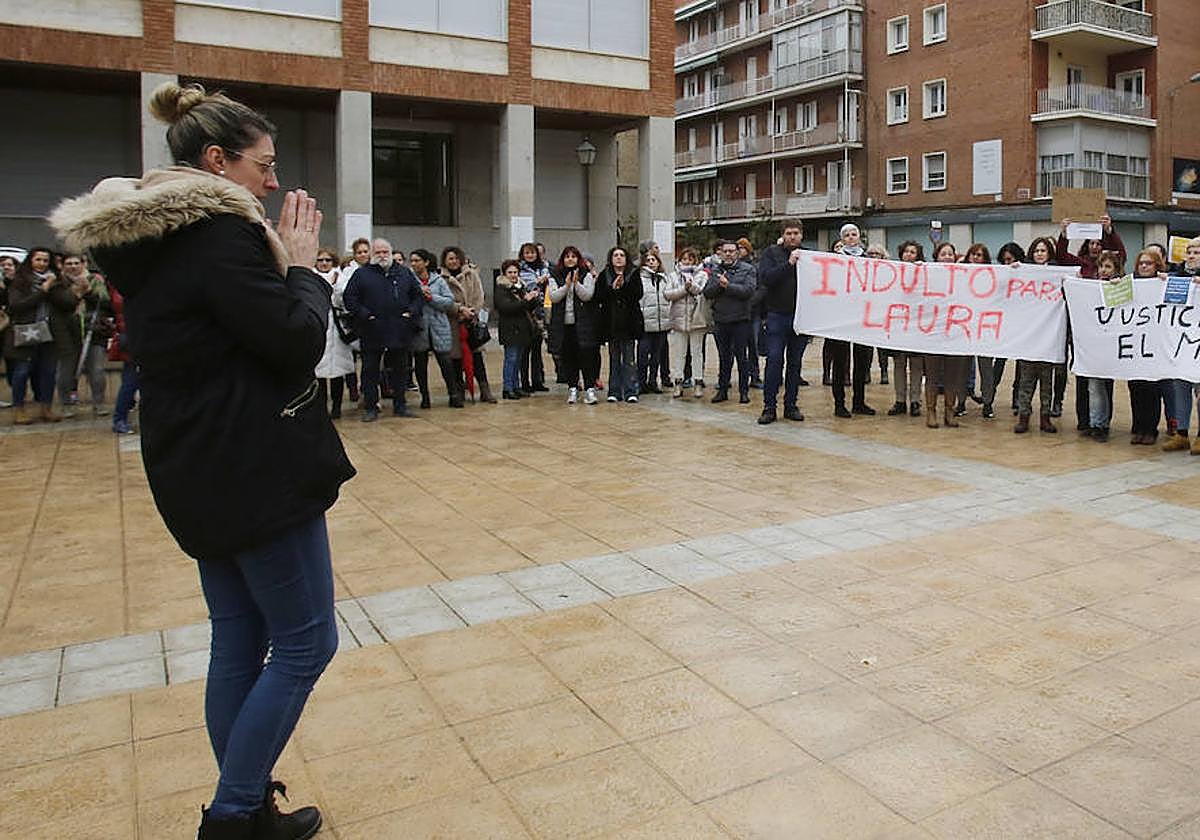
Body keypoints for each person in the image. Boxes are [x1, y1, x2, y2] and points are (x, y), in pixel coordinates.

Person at [50, 81, 355, 839]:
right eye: (263, 164)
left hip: (191, 459)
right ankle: (232, 813)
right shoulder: (219, 235)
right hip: (251, 463)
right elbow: (290, 340)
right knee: (306, 641)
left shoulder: (146, 240)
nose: (273, 180)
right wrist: (307, 271)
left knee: (240, 635)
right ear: (217, 161)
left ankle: (247, 802)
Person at [344, 238, 423, 421]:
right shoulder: (362, 274)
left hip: (399, 329)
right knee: (370, 370)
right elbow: (350, 298)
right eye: (377, 252)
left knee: (400, 369)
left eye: (385, 252)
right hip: (372, 329)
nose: (382, 256)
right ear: (372, 255)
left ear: (391, 253)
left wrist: (410, 313)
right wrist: (364, 314)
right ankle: (371, 408)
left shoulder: (404, 273)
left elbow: (417, 296)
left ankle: (400, 406)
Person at [756, 219, 808, 424]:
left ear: (802, 235)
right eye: (788, 233)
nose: (792, 236)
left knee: (795, 364)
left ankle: (791, 405)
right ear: (783, 235)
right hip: (777, 315)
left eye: (796, 233)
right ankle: (769, 406)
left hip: (801, 317)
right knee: (774, 361)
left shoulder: (809, 255)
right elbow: (767, 278)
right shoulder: (771, 254)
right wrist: (789, 264)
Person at [4, 248, 63, 424]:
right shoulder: (19, 281)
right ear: (30, 260)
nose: (42, 264)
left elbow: (66, 302)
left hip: (49, 333)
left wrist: (56, 288)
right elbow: (16, 306)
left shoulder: (56, 280)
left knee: (48, 372)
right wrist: (42, 291)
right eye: (38, 260)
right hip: (25, 332)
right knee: (21, 372)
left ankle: (46, 408)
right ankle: (19, 408)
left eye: (45, 260)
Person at [827, 223, 875, 417]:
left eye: (853, 234)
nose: (850, 237)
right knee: (840, 362)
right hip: (841, 316)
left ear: (859, 237)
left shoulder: (868, 260)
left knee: (862, 362)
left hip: (863, 316)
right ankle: (839, 404)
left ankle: (859, 402)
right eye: (846, 235)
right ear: (841, 239)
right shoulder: (835, 260)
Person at [1014, 237, 1060, 434]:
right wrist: (1013, 270)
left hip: (1048, 340)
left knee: (1046, 383)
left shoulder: (1057, 273)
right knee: (1026, 382)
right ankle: (1024, 416)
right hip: (1029, 339)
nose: (1040, 254)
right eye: (1036, 251)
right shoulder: (1025, 273)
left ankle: (1045, 417)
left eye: (1043, 250)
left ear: (1049, 253)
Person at [703, 239, 757, 405]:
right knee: (724, 357)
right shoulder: (715, 269)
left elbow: (748, 291)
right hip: (721, 319)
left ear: (737, 253)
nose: (728, 254)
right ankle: (723, 390)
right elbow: (708, 292)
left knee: (742, 356)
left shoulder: (748, 269)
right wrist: (720, 286)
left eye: (731, 251)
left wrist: (728, 286)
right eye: (725, 251)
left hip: (741, 319)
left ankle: (743, 391)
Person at [923, 242, 969, 429]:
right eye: (944, 254)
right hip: (933, 333)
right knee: (932, 375)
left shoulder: (964, 277)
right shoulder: (927, 275)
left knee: (953, 376)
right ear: (936, 257)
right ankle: (931, 411)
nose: (948, 257)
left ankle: (949, 411)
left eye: (951, 254)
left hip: (955, 333)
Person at [408, 248, 461, 409]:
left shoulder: (438, 280)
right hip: (419, 328)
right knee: (420, 363)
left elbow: (448, 302)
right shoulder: (410, 281)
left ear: (426, 262)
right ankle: (425, 397)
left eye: (417, 260)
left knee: (446, 362)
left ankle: (453, 394)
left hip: (438, 327)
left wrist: (430, 296)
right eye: (412, 261)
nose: (414, 264)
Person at [441, 246, 495, 404]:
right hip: (452, 324)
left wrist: (472, 311)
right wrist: (458, 311)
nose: (454, 261)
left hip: (471, 322)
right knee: (456, 359)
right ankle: (459, 391)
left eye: (456, 258)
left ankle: (485, 390)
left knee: (477, 358)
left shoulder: (471, 275)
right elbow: (442, 301)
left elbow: (479, 295)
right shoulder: (440, 278)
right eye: (450, 258)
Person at [547, 245, 600, 405]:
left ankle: (590, 388)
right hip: (564, 325)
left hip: (583, 324)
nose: (570, 259)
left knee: (587, 356)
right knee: (568, 357)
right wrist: (567, 285)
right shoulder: (554, 275)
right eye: (567, 256)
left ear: (578, 259)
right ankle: (573, 388)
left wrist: (576, 284)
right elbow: (554, 296)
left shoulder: (587, 275)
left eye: (573, 256)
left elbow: (588, 296)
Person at [63, 253, 115, 416]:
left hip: (94, 330)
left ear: (83, 263)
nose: (73, 266)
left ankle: (98, 403)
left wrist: (88, 292)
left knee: (97, 369)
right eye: (69, 263)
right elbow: (60, 303)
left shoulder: (96, 280)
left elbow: (106, 303)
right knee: (66, 371)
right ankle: (67, 404)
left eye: (76, 263)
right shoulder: (60, 282)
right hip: (67, 332)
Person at [1125, 248, 1166, 445]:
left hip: (1154, 346)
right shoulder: (1130, 283)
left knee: (1151, 390)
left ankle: (1151, 429)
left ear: (1156, 265)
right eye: (1141, 263)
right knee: (1136, 388)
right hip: (1133, 345)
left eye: (1148, 263)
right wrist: (1114, 284)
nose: (1143, 266)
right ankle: (1138, 427)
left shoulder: (1163, 283)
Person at [312, 248, 355, 420]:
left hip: (337, 331)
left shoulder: (342, 278)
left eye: (327, 260)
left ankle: (337, 407)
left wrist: (336, 286)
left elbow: (343, 301)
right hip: (317, 329)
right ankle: (321, 408)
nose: (324, 263)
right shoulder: (310, 278)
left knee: (338, 371)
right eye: (320, 260)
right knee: (318, 372)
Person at [596, 246, 643, 402]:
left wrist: (623, 287)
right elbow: (599, 297)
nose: (618, 258)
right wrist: (613, 288)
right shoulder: (605, 275)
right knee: (614, 359)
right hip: (611, 323)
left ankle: (630, 391)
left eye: (622, 255)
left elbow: (637, 294)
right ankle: (614, 391)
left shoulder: (634, 274)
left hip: (629, 323)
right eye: (615, 255)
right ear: (611, 258)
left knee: (629, 359)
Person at [1085, 250, 1123, 443]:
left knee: (1104, 385)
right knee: (1094, 386)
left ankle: (1103, 422)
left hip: (1113, 345)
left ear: (1116, 269)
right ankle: (1096, 424)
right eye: (1101, 266)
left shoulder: (1123, 288)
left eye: (1108, 266)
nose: (1104, 270)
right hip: (1093, 345)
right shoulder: (1089, 287)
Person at [664, 247, 710, 400]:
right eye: (684, 259)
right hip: (679, 318)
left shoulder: (702, 274)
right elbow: (668, 294)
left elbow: (701, 291)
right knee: (679, 353)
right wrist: (684, 289)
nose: (687, 262)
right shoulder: (673, 275)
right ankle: (678, 381)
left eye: (690, 259)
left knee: (697, 352)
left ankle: (698, 381)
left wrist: (692, 287)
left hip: (697, 318)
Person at [887, 241, 925, 418]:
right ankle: (900, 400)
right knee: (899, 364)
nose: (909, 255)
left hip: (917, 325)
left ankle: (916, 400)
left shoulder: (924, 272)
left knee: (916, 365)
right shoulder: (892, 272)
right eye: (906, 251)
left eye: (913, 252)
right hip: (898, 324)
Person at [496, 258, 541, 400]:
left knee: (518, 360)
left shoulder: (520, 286)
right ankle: (507, 388)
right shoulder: (502, 288)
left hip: (522, 328)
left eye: (515, 272)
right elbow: (506, 308)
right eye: (510, 272)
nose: (513, 275)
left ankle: (516, 386)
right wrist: (525, 300)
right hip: (510, 329)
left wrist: (533, 299)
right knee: (511, 359)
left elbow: (526, 307)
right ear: (504, 274)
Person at [516, 242, 550, 394]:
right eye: (527, 253)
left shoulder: (544, 268)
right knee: (525, 351)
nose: (530, 255)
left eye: (532, 252)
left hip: (541, 313)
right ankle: (524, 382)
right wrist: (535, 282)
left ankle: (537, 381)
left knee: (537, 350)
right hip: (526, 314)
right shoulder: (518, 269)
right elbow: (521, 286)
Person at [636, 249, 670, 394]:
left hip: (662, 324)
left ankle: (653, 381)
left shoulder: (664, 279)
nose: (651, 262)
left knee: (656, 356)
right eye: (648, 260)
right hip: (645, 324)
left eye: (653, 260)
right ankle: (641, 381)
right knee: (643, 355)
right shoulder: (639, 279)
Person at [106, 279, 138, 434]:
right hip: (134, 335)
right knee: (131, 380)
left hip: (134, 334)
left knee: (130, 379)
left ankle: (121, 417)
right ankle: (120, 419)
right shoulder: (124, 284)